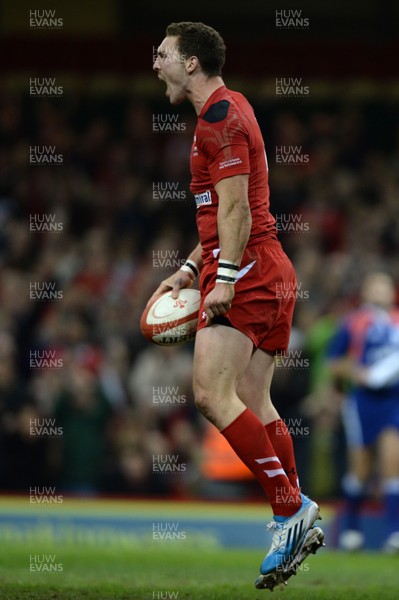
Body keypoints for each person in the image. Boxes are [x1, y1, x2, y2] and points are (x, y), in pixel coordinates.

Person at [150, 22, 324, 589]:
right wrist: (186, 270)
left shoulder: (217, 122)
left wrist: (221, 276)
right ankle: (295, 511)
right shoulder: (231, 109)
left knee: (209, 394)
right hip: (270, 267)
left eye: (163, 54)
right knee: (253, 397)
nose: (156, 63)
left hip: (247, 270)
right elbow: (227, 210)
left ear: (192, 63)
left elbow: (235, 214)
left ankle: (289, 509)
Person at [327, 272, 399, 552]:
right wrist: (359, 373)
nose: (382, 290)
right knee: (361, 469)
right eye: (376, 285)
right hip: (362, 401)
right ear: (366, 291)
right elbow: (334, 362)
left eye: (386, 285)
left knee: (393, 462)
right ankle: (352, 529)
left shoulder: (397, 321)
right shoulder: (353, 322)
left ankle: (394, 532)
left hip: (393, 400)